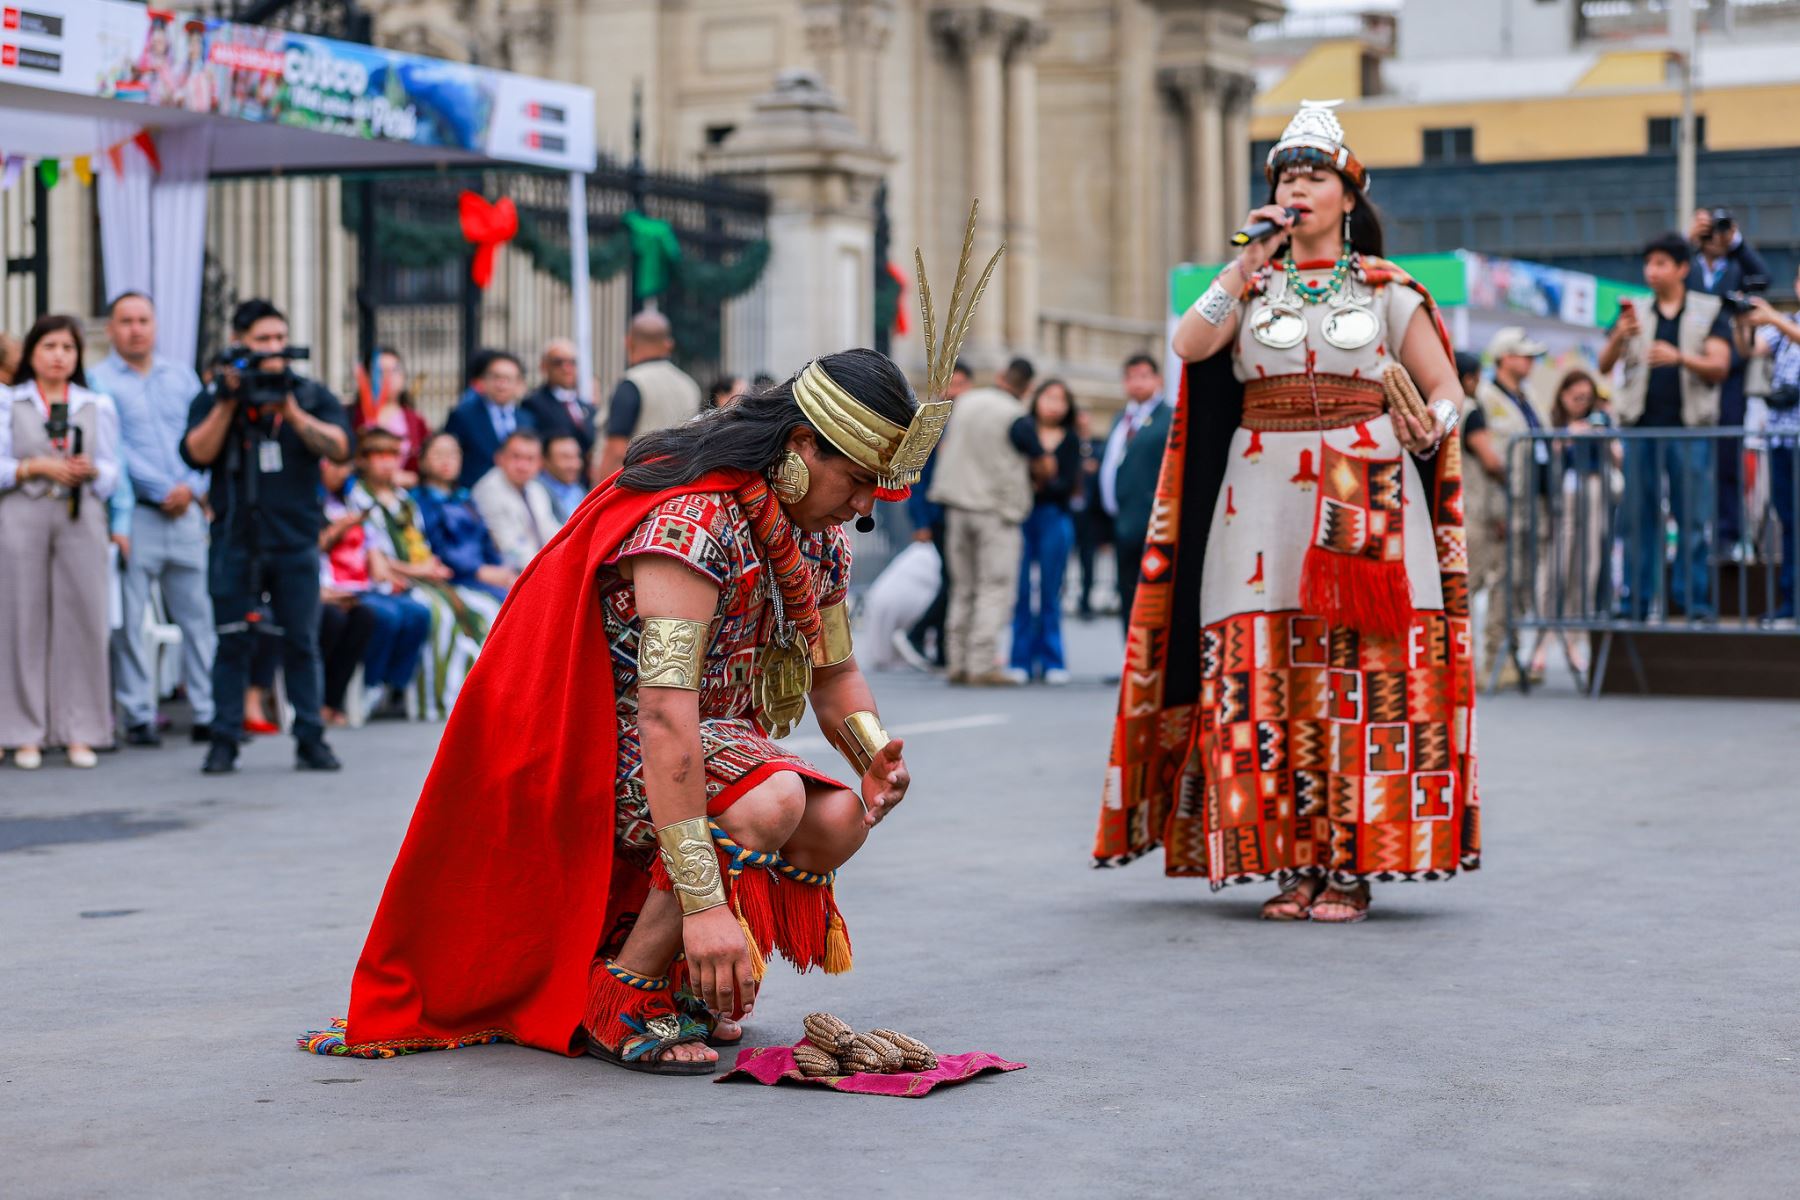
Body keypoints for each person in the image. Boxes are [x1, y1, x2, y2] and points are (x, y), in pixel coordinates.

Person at [308, 340, 968, 1072]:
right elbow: (661, 716)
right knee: (773, 796)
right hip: (598, 754)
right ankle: (624, 993)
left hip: (704, 749)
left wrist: (872, 754)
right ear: (803, 446)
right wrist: (707, 907)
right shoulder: (692, 525)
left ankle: (685, 981)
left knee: (838, 817)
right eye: (859, 479)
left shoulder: (818, 541)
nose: (866, 505)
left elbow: (834, 674)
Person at [1094, 100, 1478, 924]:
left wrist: (1432, 424)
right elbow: (1189, 346)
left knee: (1359, 680)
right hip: (1257, 498)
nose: (1297, 189)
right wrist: (1243, 262)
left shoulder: (1389, 290)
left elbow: (1447, 389)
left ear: (1349, 195)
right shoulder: (1251, 284)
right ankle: (1290, 863)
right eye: (1286, 179)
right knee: (1262, 677)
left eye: (1314, 177)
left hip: (1366, 489)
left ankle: (1351, 866)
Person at [182, 298, 351, 774]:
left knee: (301, 640)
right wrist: (227, 402)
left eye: (280, 339)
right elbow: (195, 454)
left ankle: (311, 738)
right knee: (232, 640)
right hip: (235, 537)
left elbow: (342, 449)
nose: (274, 349)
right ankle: (224, 738)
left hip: (295, 539)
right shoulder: (218, 395)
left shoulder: (309, 394)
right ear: (240, 343)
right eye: (263, 341)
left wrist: (292, 413)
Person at [90, 292, 216, 747]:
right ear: (111, 329)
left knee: (197, 615)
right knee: (131, 619)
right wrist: (161, 490)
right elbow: (114, 449)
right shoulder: (98, 380)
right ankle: (139, 713)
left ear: (156, 325)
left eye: (143, 320)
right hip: (138, 514)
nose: (136, 329)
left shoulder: (180, 375)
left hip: (186, 511)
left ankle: (207, 710)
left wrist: (192, 487)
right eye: (126, 321)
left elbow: (202, 436)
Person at [0, 315, 122, 770]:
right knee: (20, 617)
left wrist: (90, 471)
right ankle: (21, 730)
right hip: (23, 510)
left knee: (83, 617)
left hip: (79, 511)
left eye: (68, 348)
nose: (58, 356)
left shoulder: (96, 404)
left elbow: (112, 473)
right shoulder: (10, 402)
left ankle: (81, 728)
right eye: (49, 346)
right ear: (32, 353)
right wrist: (35, 467)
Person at [1598, 233, 1732, 620]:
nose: (1651, 271)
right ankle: (1635, 602)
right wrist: (1620, 335)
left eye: (1660, 263)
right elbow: (1604, 365)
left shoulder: (1709, 309)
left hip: (1689, 431)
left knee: (1692, 520)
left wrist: (1680, 358)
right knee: (1636, 520)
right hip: (1640, 430)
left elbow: (1720, 366)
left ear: (1682, 268)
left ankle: (1693, 603)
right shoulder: (1634, 311)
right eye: (1648, 264)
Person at [355, 427, 497, 720]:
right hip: (388, 581)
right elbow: (374, 555)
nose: (387, 461)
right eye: (378, 454)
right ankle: (431, 700)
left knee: (483, 611)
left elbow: (422, 544)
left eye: (393, 454)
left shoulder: (404, 499)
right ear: (363, 459)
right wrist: (422, 569)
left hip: (423, 576)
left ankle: (474, 694)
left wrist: (431, 565)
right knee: (440, 617)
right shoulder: (359, 497)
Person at [927, 359, 1038, 685]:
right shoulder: (1015, 414)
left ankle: (956, 661)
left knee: (962, 587)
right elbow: (1037, 456)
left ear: (1001, 376)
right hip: (994, 511)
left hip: (955, 505)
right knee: (994, 587)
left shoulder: (965, 403)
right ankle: (982, 663)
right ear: (1028, 388)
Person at [1462, 327, 1550, 688]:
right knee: (1489, 581)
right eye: (1524, 355)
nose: (1530, 362)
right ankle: (1485, 662)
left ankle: (1506, 656)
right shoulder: (1481, 399)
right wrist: (1499, 510)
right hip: (1494, 507)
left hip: (1530, 505)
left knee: (1517, 584)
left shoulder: (1529, 398)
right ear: (1504, 357)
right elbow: (1492, 462)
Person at [1689, 207, 1771, 553]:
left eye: (1721, 229)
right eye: (1711, 229)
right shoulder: (1687, 266)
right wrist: (1689, 240)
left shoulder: (1738, 266)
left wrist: (1736, 242)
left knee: (1727, 454)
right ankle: (1690, 531)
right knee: (1690, 456)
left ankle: (1728, 534)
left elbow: (1764, 277)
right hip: (1692, 370)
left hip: (1732, 373)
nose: (1716, 236)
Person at [894, 359, 971, 671]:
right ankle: (918, 633)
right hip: (937, 514)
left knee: (952, 580)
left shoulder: (966, 422)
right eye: (951, 383)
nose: (955, 390)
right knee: (954, 580)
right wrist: (921, 522)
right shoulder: (930, 425)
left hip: (957, 513)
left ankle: (941, 648)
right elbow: (917, 477)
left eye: (960, 384)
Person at [1541, 369, 1620, 669]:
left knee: (1587, 567)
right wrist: (1567, 437)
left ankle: (1575, 640)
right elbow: (1548, 456)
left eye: (1587, 398)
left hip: (1594, 491)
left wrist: (1603, 435)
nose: (1582, 403)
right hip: (1564, 497)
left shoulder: (1600, 419)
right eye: (1577, 398)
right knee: (1558, 567)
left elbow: (1618, 456)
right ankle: (1544, 638)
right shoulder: (1555, 421)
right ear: (1564, 396)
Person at [1008, 379, 1084, 684]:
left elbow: (1067, 483)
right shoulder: (1023, 431)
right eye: (1049, 397)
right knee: (1022, 590)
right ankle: (1020, 659)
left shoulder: (1071, 439)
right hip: (1023, 515)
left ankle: (1053, 659)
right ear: (1037, 399)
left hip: (1054, 516)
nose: (1054, 405)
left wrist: (1042, 483)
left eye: (1060, 399)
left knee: (1051, 590)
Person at [1741, 273, 1800, 620]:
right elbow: (1749, 350)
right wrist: (1742, 321)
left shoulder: (1783, 323)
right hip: (1781, 440)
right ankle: (1791, 600)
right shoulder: (1785, 325)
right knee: (1789, 522)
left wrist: (1772, 317)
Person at [1099, 353, 1170, 633]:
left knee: (1152, 597)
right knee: (1127, 594)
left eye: (1143, 376)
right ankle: (1130, 652)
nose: (1136, 383)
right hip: (1121, 522)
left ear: (1158, 380)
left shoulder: (1168, 418)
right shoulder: (1121, 418)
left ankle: (1151, 654)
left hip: (1152, 523)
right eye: (1130, 377)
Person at [596, 311, 704, 479]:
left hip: (639, 485)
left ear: (628, 342)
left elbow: (616, 450)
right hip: (680, 484)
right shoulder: (690, 385)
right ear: (669, 344)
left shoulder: (631, 383)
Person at [414, 431, 517, 604]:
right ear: (422, 461)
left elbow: (485, 539)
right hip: (455, 579)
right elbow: (437, 547)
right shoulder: (419, 502)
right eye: (438, 454)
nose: (446, 460)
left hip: (484, 574)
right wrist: (477, 571)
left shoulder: (465, 499)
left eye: (453, 454)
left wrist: (500, 569)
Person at [442, 349, 538, 490]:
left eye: (508, 379)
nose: (501, 384)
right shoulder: (463, 416)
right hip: (474, 493)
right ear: (483, 381)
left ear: (519, 384)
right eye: (496, 377)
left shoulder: (527, 418)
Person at [473, 430, 559, 571]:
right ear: (500, 458)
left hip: (539, 566)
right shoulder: (489, 490)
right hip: (507, 572)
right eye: (516, 457)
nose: (523, 466)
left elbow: (552, 532)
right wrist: (551, 568)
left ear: (540, 463)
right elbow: (509, 548)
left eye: (530, 459)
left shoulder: (536, 489)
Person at [521, 338, 598, 470]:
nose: (566, 368)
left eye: (572, 362)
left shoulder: (587, 407)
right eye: (558, 362)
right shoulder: (533, 403)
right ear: (544, 366)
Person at [364, 346, 431, 483]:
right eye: (380, 372)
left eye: (394, 370)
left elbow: (427, 465)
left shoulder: (416, 421)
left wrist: (412, 479)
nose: (388, 377)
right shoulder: (353, 415)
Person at [1071, 407, 1106, 620]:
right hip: (1069, 510)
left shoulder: (1098, 446)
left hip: (1090, 513)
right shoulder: (1070, 444)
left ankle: (1086, 601)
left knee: (1088, 558)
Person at [540, 433, 590, 524]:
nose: (575, 464)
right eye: (566, 457)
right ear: (546, 461)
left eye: (577, 456)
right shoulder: (536, 491)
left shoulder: (578, 490)